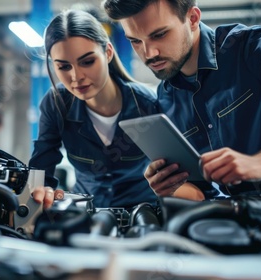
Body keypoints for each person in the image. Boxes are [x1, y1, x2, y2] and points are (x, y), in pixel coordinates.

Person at [103, 0, 261, 200]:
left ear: (192, 18)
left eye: (160, 35)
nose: (149, 53)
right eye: (135, 41)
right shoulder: (167, 98)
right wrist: (172, 186)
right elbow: (204, 193)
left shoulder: (254, 48)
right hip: (239, 224)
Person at [28, 9, 162, 209]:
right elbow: (41, 163)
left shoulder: (147, 104)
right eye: (64, 67)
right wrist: (38, 190)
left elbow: (173, 166)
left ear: (107, 52)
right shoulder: (56, 104)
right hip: (87, 209)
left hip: (143, 211)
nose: (76, 77)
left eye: (88, 62)